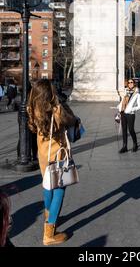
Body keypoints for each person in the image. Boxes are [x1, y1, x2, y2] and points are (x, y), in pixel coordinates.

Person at [27, 79, 77, 246]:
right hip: (57, 154)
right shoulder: (56, 110)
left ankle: (49, 215)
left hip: (43, 154)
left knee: (48, 185)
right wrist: (61, 102)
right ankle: (49, 233)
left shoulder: (32, 109)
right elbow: (72, 120)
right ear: (50, 94)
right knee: (60, 190)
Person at [118, 79, 140, 154]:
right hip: (123, 113)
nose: (130, 84)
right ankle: (124, 146)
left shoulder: (137, 94)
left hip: (130, 114)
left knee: (131, 130)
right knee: (124, 130)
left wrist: (132, 109)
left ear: (134, 84)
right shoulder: (126, 92)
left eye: (131, 82)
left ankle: (135, 144)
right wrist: (119, 107)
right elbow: (123, 101)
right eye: (129, 83)